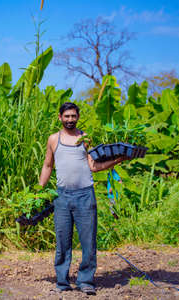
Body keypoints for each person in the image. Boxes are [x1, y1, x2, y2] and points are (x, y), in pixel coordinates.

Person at [38, 102, 131, 295]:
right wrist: (38, 191)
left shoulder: (85, 138)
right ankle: (62, 282)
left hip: (85, 195)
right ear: (60, 118)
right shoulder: (53, 139)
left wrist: (118, 160)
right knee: (63, 241)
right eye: (67, 116)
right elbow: (47, 166)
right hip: (62, 196)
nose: (70, 119)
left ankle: (86, 281)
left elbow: (94, 166)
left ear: (78, 117)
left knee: (88, 241)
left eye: (73, 116)